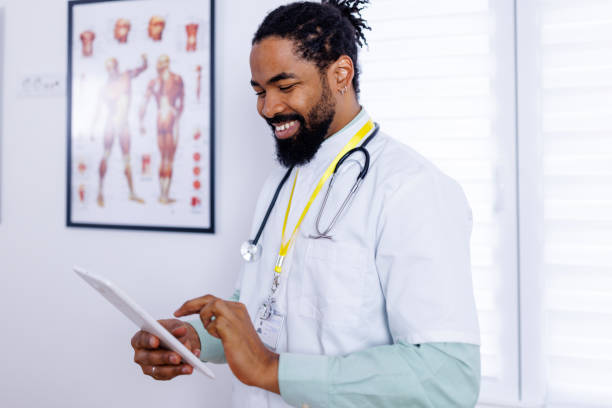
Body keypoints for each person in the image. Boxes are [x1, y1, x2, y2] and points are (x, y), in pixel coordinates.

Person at [131, 1, 481, 407]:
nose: (267, 108)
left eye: (285, 86)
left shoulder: (411, 189)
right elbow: (272, 314)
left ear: (340, 75)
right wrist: (197, 340)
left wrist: (270, 369)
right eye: (260, 91)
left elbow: (448, 379)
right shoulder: (283, 180)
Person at [91, 55, 148, 207]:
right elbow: (97, 109)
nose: (110, 71)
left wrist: (144, 61)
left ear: (117, 66)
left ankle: (131, 193)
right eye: (107, 68)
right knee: (106, 155)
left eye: (112, 67)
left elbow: (142, 69)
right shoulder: (105, 88)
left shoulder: (126, 76)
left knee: (126, 159)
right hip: (111, 123)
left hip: (124, 124)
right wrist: (92, 128)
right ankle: (100, 192)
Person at [139, 54, 185, 204]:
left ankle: (163, 194)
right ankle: (164, 194)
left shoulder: (157, 82)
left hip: (162, 118)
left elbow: (144, 103)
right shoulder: (174, 79)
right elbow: (181, 103)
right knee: (168, 158)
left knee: (164, 157)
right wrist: (176, 114)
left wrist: (141, 121)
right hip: (169, 118)